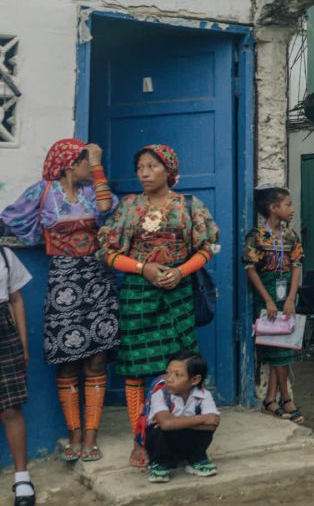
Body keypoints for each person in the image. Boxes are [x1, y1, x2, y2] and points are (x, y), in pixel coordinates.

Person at [97, 144, 218, 468]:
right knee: (136, 371)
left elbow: (207, 248)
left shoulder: (189, 206)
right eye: (140, 168)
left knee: (184, 368)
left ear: (169, 170)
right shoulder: (128, 208)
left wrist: (180, 271)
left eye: (152, 166)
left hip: (177, 297)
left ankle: (187, 440)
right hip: (138, 296)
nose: (144, 173)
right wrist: (143, 268)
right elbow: (106, 252)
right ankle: (142, 440)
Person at [1, 139, 118, 462]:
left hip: (97, 282)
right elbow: (11, 218)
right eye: (86, 161)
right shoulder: (42, 193)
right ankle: (74, 434)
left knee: (96, 359)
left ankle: (91, 435)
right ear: (69, 163)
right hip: (63, 281)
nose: (90, 167)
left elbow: (108, 209)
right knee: (66, 359)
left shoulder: (94, 192)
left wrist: (97, 165)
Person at [244, 186, 304, 424]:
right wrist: (268, 299)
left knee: (285, 344)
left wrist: (291, 297)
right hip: (267, 295)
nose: (291, 209)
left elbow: (297, 265)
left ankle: (271, 399)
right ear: (273, 208)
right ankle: (284, 397)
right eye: (287, 204)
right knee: (275, 346)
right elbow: (250, 269)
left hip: (285, 295)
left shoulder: (291, 236)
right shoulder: (256, 236)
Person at [143, 351, 220, 484]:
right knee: (158, 430)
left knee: (206, 430)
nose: (169, 379)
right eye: (168, 373)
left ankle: (195, 460)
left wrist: (175, 422)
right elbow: (166, 424)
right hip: (164, 444)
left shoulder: (204, 395)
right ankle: (161, 464)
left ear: (195, 380)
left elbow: (212, 423)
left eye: (177, 375)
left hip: (185, 442)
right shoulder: (160, 394)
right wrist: (201, 419)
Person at [0, 246, 34, 505]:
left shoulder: (4, 255)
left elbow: (16, 300)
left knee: (10, 407)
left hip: (4, 332)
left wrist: (22, 343)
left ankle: (22, 477)